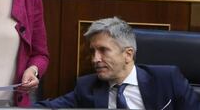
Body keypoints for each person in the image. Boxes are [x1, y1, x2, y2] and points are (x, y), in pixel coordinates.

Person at [34, 17, 200, 109]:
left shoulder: (166, 79)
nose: (95, 59)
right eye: (93, 51)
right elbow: (47, 108)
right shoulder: (87, 87)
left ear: (128, 54)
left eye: (103, 50)